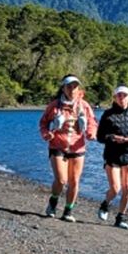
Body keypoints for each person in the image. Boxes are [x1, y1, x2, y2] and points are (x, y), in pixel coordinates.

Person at [38, 75, 95, 220]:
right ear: (63, 88)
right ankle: (53, 202)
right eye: (69, 86)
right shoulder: (54, 106)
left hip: (77, 147)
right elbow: (43, 123)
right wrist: (46, 134)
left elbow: (92, 122)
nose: (72, 89)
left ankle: (68, 211)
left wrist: (91, 133)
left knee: (74, 181)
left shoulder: (84, 106)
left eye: (75, 87)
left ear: (78, 89)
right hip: (58, 145)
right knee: (62, 179)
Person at [96, 85, 128, 229]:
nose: (122, 98)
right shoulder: (108, 114)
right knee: (115, 188)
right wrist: (112, 137)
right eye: (119, 95)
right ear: (115, 97)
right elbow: (99, 137)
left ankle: (120, 217)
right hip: (112, 155)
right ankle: (105, 204)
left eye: (125, 95)